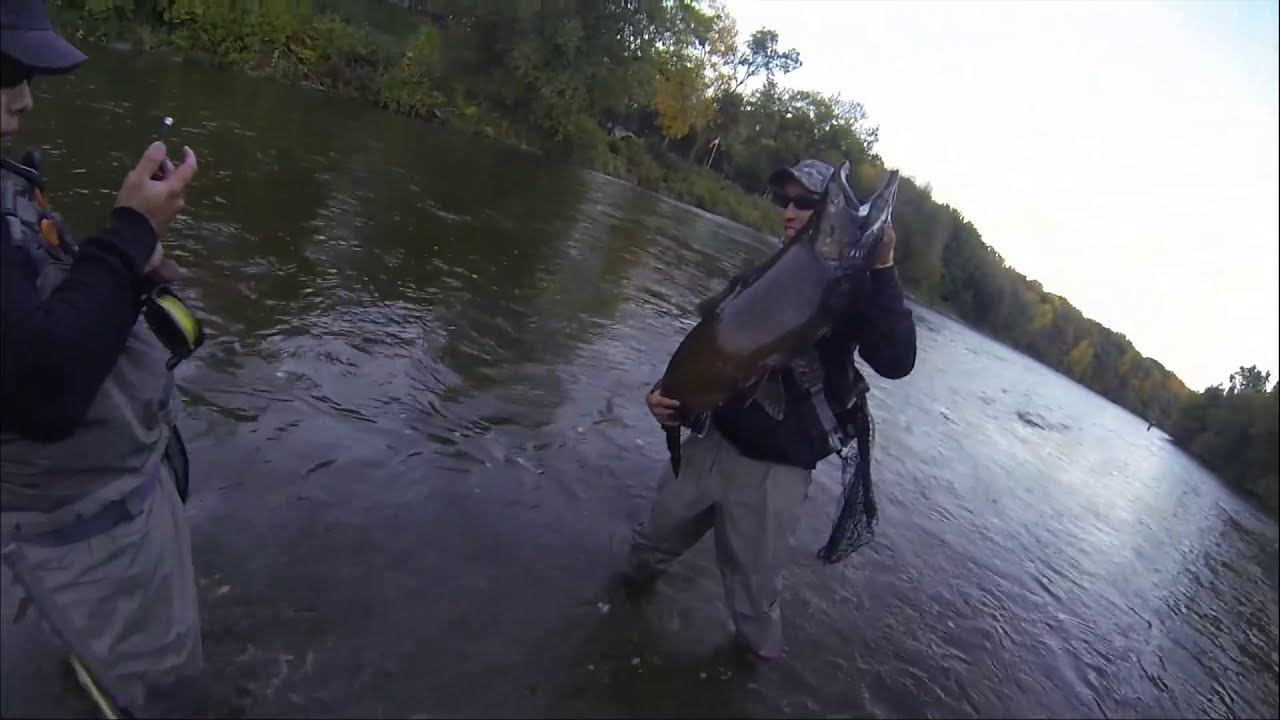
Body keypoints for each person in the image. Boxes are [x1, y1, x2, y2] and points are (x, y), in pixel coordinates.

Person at [621, 158, 918, 662]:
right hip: (709, 446)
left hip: (772, 475)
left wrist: (883, 268)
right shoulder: (755, 279)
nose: (789, 211)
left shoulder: (853, 292)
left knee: (753, 610)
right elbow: (710, 353)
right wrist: (666, 398)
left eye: (805, 203)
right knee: (648, 548)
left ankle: (747, 684)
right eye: (785, 200)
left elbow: (896, 359)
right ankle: (616, 627)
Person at [0, 0, 204, 715]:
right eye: (4, 70)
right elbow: (41, 386)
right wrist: (126, 237)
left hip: (98, 531)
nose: (22, 98)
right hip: (56, 546)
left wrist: (122, 263)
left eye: (24, 74)